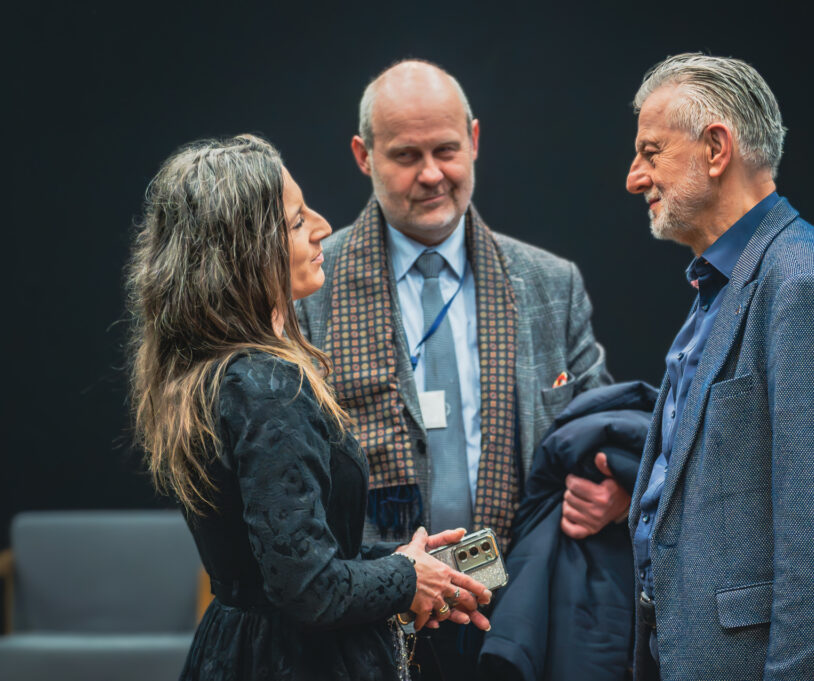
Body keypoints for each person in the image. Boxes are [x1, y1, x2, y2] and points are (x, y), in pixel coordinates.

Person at [296, 60, 620, 679]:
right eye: (405, 155)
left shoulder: (550, 286)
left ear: (474, 140)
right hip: (366, 624)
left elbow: (599, 437)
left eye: (445, 150)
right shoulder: (310, 291)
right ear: (363, 156)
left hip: (518, 614)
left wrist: (610, 493)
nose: (431, 174)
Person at [126, 134, 491, 681]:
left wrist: (402, 566)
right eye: (297, 222)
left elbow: (274, 563)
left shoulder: (216, 372)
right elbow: (310, 590)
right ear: (245, 251)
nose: (322, 227)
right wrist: (409, 578)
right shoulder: (267, 388)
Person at [624, 54, 814, 681]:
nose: (634, 178)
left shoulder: (801, 281)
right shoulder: (724, 282)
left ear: (716, 149)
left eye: (651, 152)